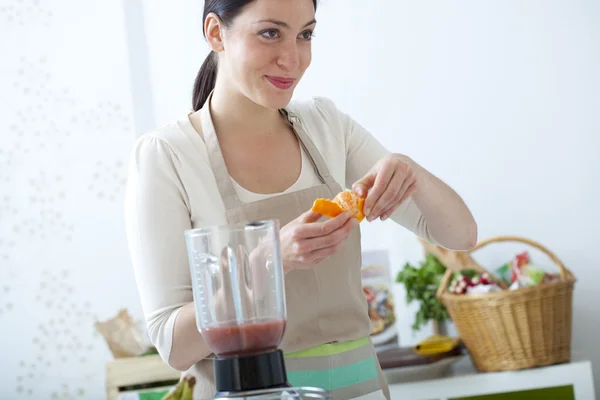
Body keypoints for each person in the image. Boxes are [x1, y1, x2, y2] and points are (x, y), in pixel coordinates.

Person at [124, 0, 478, 398]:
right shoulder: (167, 155)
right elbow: (174, 345)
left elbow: (460, 234)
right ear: (215, 32)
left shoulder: (328, 126)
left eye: (305, 34)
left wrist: (407, 169)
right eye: (270, 33)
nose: (292, 59)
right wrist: (271, 259)